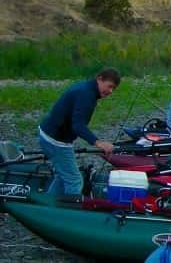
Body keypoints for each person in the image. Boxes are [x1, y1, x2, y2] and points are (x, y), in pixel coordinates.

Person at [38, 68, 119, 197]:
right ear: (99, 79)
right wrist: (98, 143)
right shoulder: (87, 95)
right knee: (74, 181)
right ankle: (68, 213)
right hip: (55, 140)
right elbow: (78, 126)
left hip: (49, 135)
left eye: (113, 89)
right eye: (109, 86)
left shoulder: (86, 88)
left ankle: (49, 205)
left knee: (63, 175)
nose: (110, 91)